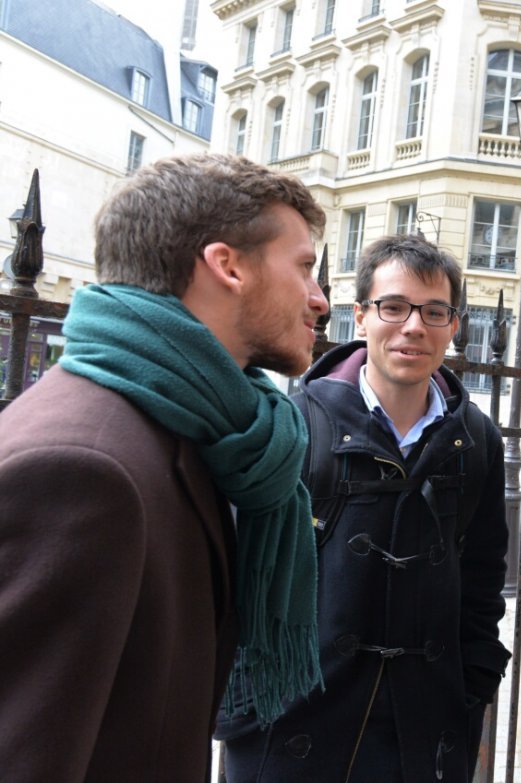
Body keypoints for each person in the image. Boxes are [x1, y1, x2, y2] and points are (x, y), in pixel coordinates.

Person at [0, 154, 328, 782]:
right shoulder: (80, 468)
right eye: (305, 267)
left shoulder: (203, 424)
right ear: (227, 265)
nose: (319, 299)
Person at [219, 235, 510, 782]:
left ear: (454, 324)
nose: (413, 327)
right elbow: (233, 576)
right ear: (361, 316)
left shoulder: (476, 440)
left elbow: (482, 578)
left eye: (434, 311)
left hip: (422, 731)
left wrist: (472, 685)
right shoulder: (294, 425)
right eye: (393, 307)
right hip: (293, 733)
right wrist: (246, 708)